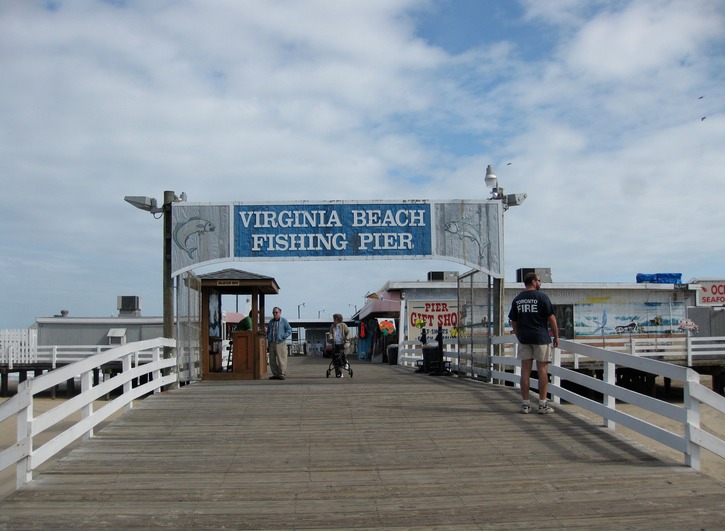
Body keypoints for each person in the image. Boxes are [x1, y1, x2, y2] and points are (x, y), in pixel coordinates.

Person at [508, 272, 559, 414]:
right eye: (539, 280)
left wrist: (518, 333)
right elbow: (552, 319)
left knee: (525, 371)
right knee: (542, 371)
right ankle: (542, 404)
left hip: (524, 339)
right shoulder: (542, 297)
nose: (540, 282)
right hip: (541, 338)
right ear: (534, 282)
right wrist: (556, 336)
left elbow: (513, 321)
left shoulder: (517, 299)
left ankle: (525, 405)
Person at [266, 307, 292, 380]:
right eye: (273, 312)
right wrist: (268, 335)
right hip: (272, 343)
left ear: (280, 313)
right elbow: (268, 331)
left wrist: (283, 336)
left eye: (276, 312)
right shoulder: (271, 322)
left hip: (280, 343)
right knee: (272, 360)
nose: (275, 314)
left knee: (282, 359)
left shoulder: (284, 321)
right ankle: (276, 374)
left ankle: (282, 374)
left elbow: (289, 330)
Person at [327, 313, 351, 378]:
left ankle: (345, 363)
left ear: (337, 319)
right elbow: (330, 334)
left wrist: (347, 338)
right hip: (335, 344)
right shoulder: (332, 326)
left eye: (334, 319)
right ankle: (339, 373)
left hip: (343, 344)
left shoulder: (343, 325)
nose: (333, 320)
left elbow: (348, 332)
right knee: (335, 359)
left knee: (341, 356)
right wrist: (331, 339)